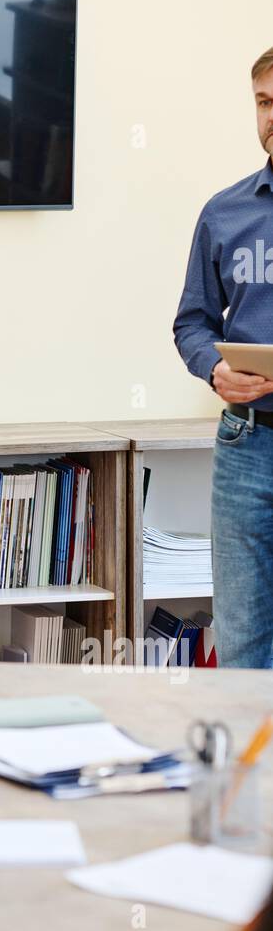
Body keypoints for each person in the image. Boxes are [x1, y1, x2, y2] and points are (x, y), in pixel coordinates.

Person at [173, 46, 273, 667]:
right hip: (246, 448)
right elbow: (192, 322)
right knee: (243, 644)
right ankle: (251, 768)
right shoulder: (225, 212)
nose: (272, 117)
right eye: (264, 103)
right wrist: (214, 368)